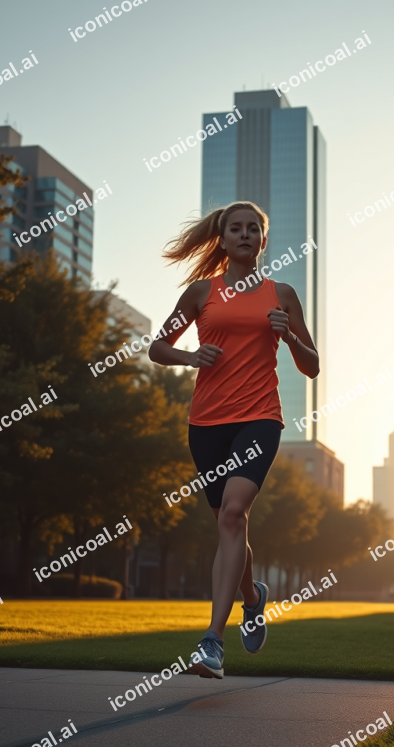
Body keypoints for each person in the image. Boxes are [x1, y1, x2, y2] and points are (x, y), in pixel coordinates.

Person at [149, 201, 319, 679]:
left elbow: (312, 366)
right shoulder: (201, 292)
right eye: (236, 229)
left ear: (263, 240)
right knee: (229, 527)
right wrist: (189, 357)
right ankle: (252, 597)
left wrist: (290, 339)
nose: (245, 235)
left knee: (232, 514)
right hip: (206, 424)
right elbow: (157, 347)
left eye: (253, 229)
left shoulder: (282, 293)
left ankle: (212, 642)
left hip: (260, 419)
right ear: (222, 240)